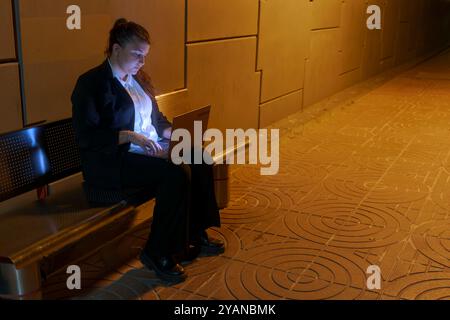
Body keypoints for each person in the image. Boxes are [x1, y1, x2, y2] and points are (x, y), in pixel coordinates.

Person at [71, 18, 224, 283]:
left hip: (146, 152)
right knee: (174, 175)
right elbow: (87, 137)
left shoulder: (138, 79)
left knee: (199, 157)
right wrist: (128, 136)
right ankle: (158, 251)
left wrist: (173, 134)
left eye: (145, 56)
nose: (142, 62)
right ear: (116, 49)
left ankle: (193, 233)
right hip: (114, 161)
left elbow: (156, 120)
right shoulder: (91, 84)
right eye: (137, 54)